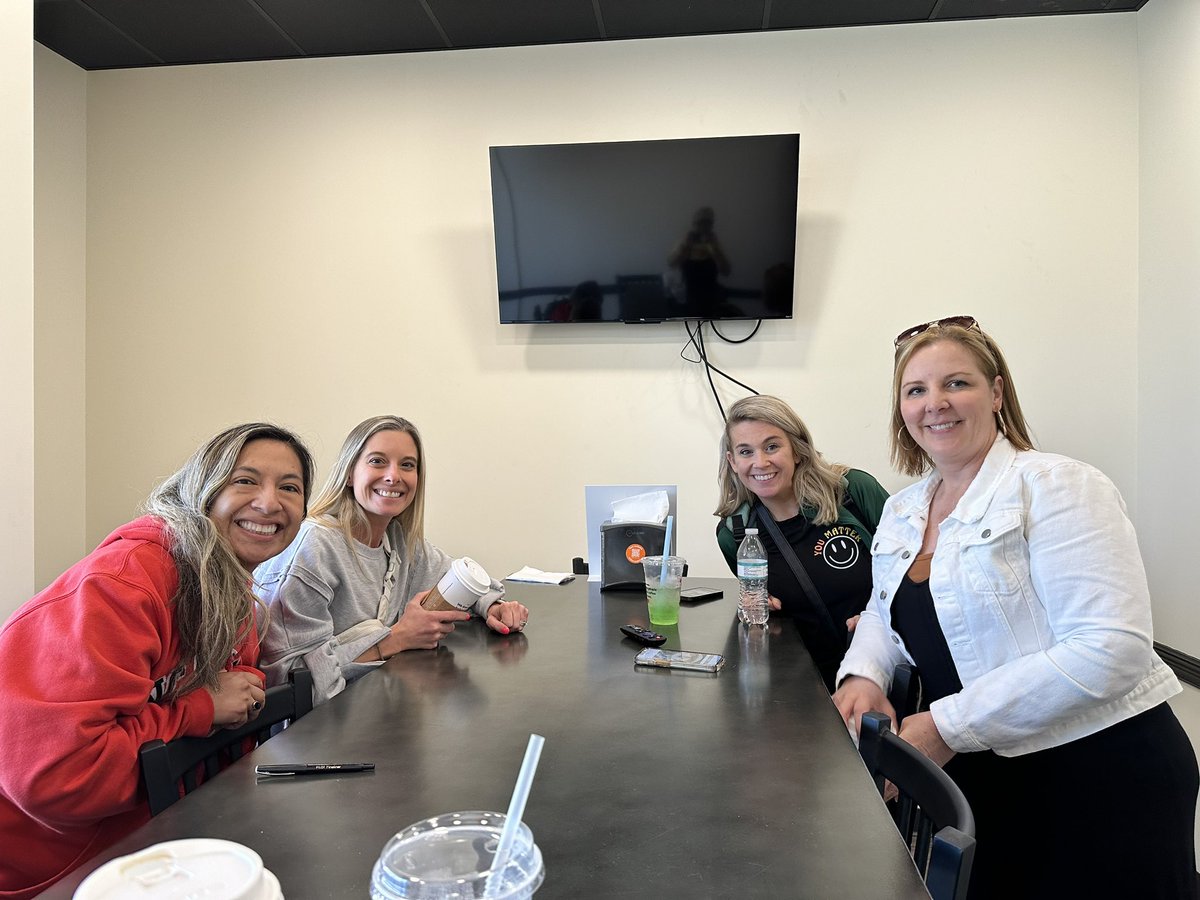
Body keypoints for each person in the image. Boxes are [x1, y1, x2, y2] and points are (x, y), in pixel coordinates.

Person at [833, 316, 1198, 899]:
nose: (935, 403)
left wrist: (946, 726)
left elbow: (1112, 648)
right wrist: (863, 673)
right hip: (981, 770)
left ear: (997, 392)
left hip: (1095, 774)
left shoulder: (1059, 485)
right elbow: (883, 608)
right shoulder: (903, 509)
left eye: (957, 383)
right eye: (916, 389)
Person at [0, 422, 315, 899]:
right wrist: (199, 709)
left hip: (170, 845)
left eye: (289, 488)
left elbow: (239, 687)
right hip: (61, 875)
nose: (270, 503)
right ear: (204, 489)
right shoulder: (125, 585)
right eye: (245, 480)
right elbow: (60, 779)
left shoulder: (232, 589)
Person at [258, 415, 530, 705]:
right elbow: (294, 682)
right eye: (377, 461)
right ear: (349, 474)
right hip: (315, 727)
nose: (393, 476)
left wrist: (494, 607)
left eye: (407, 465)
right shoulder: (314, 545)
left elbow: (460, 578)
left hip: (377, 710)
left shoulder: (398, 540)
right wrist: (398, 637)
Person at [715, 395, 889, 690]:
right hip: (803, 689)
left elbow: (917, 573)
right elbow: (763, 608)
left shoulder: (853, 492)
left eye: (772, 446)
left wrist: (880, 623)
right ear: (733, 462)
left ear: (797, 449)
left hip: (881, 671)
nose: (760, 462)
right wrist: (759, 606)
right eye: (746, 451)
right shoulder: (734, 533)